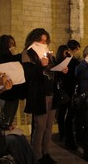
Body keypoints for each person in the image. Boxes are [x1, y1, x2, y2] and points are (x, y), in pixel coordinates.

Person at [22, 28, 68, 164]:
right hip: (38, 95)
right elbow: (28, 74)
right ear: (33, 40)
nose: (43, 43)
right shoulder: (27, 53)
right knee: (40, 126)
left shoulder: (48, 54)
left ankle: (46, 152)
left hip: (52, 93)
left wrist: (61, 69)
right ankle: (37, 155)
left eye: (45, 41)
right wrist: (41, 66)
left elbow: (52, 71)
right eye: (41, 40)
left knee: (49, 126)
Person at [0, 35, 23, 126]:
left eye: (14, 44)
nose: (13, 46)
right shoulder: (3, 57)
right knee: (3, 123)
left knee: (8, 122)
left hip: (13, 93)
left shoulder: (14, 56)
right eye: (11, 44)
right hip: (3, 94)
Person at [63, 40, 82, 150]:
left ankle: (70, 140)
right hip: (71, 92)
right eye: (78, 49)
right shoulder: (70, 61)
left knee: (71, 117)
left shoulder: (71, 60)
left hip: (71, 91)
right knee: (70, 117)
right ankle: (70, 141)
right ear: (74, 49)